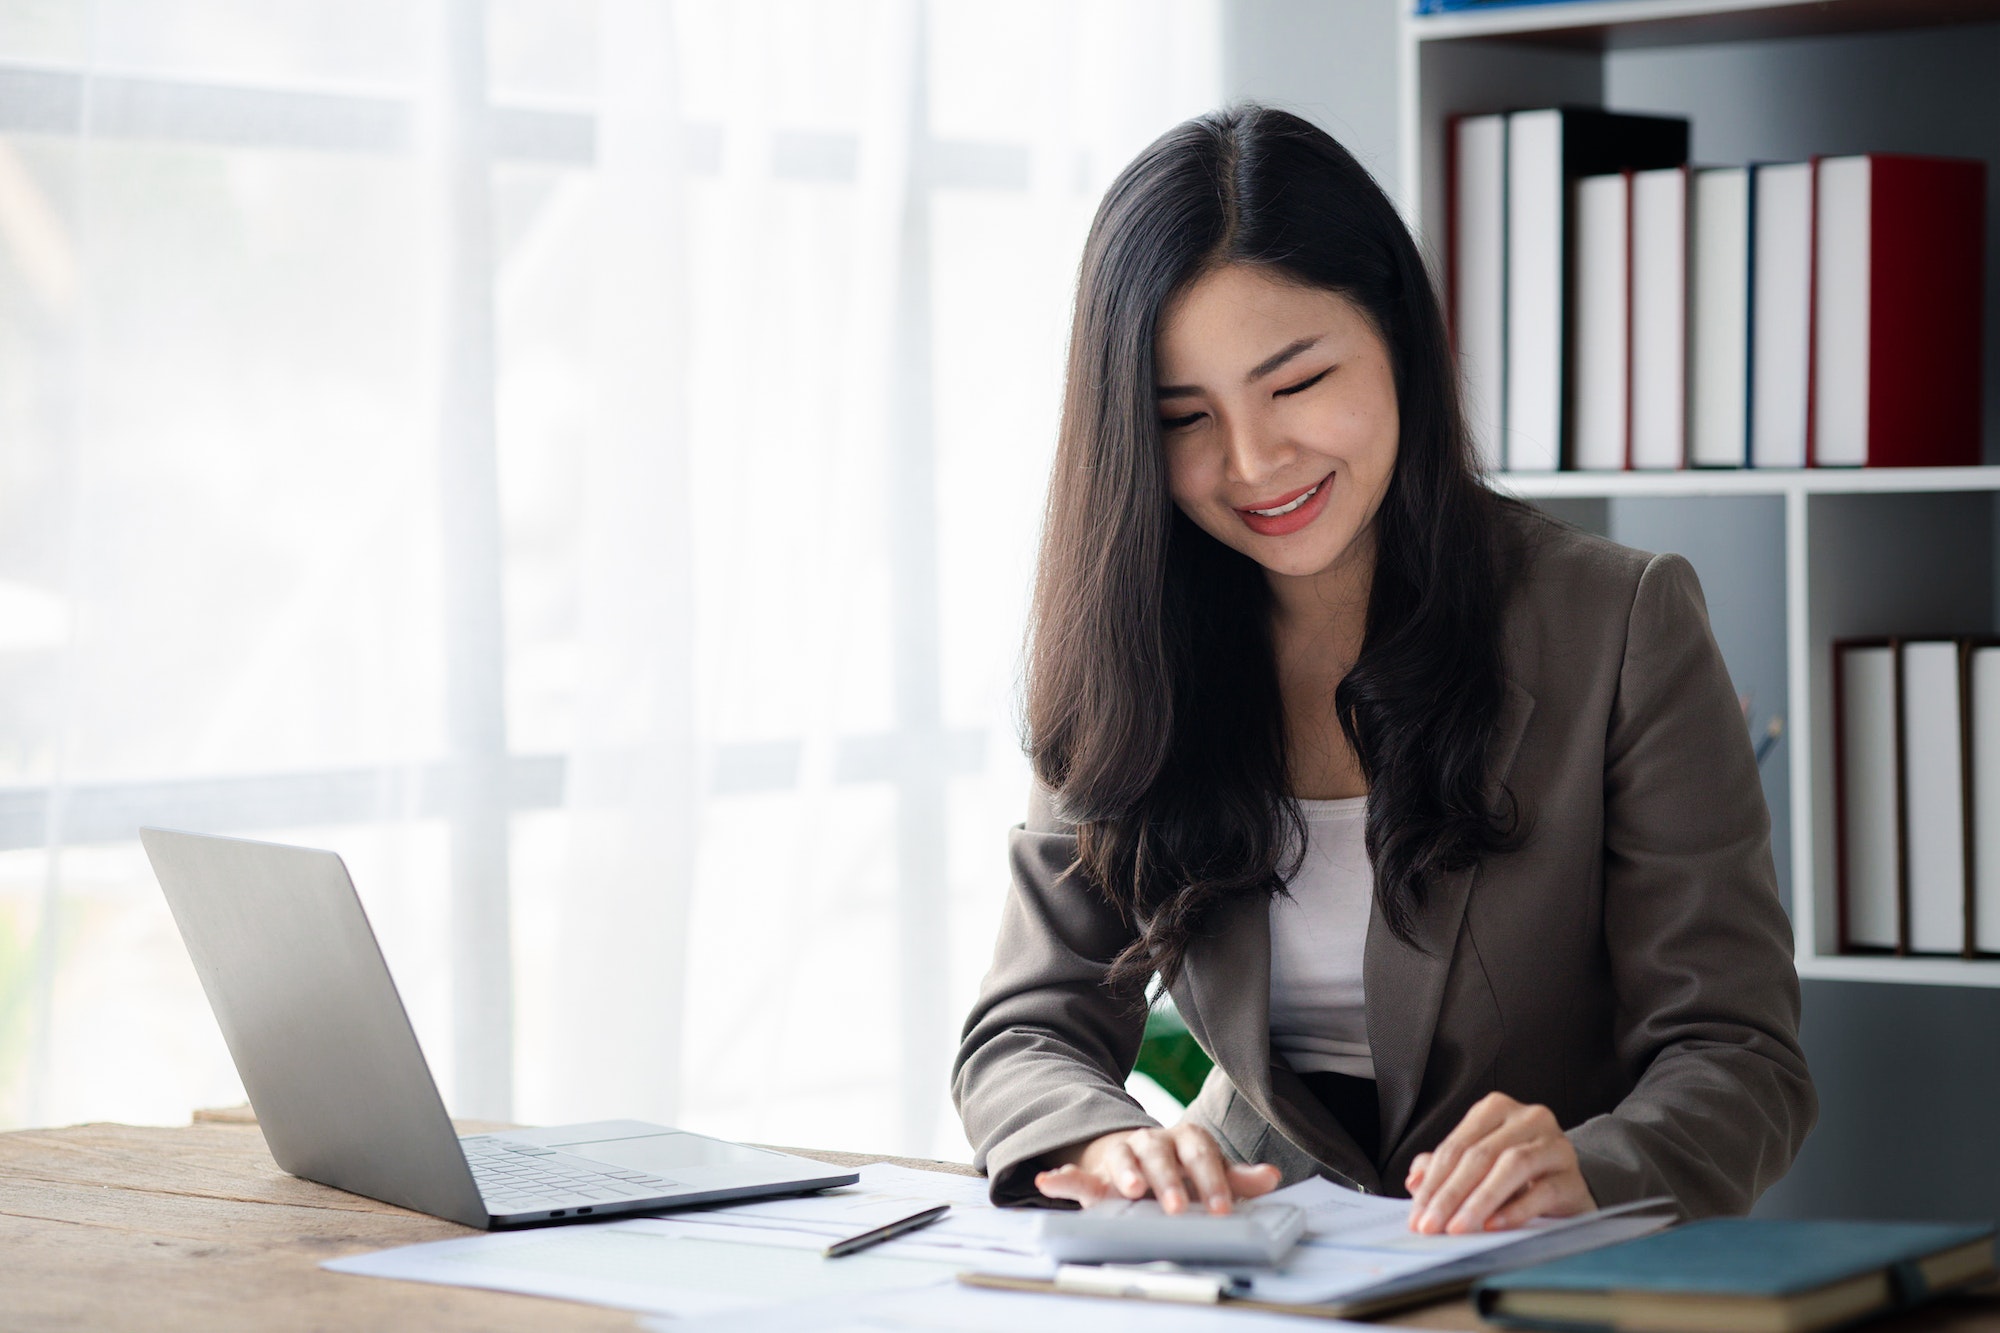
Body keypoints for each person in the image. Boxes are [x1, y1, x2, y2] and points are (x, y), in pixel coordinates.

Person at [952, 105, 1815, 1236]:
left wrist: (1595, 1164)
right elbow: (1027, 1027)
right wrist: (1099, 1140)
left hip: (1545, 1254)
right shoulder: (1129, 648)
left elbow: (1738, 1055)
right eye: (1182, 417)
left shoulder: (1618, 619)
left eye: (1296, 381)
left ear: (1400, 339)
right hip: (1261, 1256)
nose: (1252, 462)